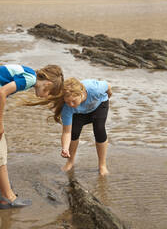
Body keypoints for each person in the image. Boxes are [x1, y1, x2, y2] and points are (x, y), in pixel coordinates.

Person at [0, 64, 64, 209]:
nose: (46, 97)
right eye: (49, 93)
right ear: (47, 84)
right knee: (1, 154)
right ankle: (7, 197)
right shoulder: (30, 79)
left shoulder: (28, 72)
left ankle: (3, 191)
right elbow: (2, 93)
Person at [51, 77, 112, 176]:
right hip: (80, 112)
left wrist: (109, 94)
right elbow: (67, 132)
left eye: (73, 101)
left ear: (81, 93)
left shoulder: (95, 89)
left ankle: (102, 165)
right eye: (68, 102)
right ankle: (70, 162)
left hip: (99, 105)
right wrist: (65, 148)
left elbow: (108, 85)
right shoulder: (68, 107)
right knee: (74, 132)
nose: (71, 104)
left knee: (99, 130)